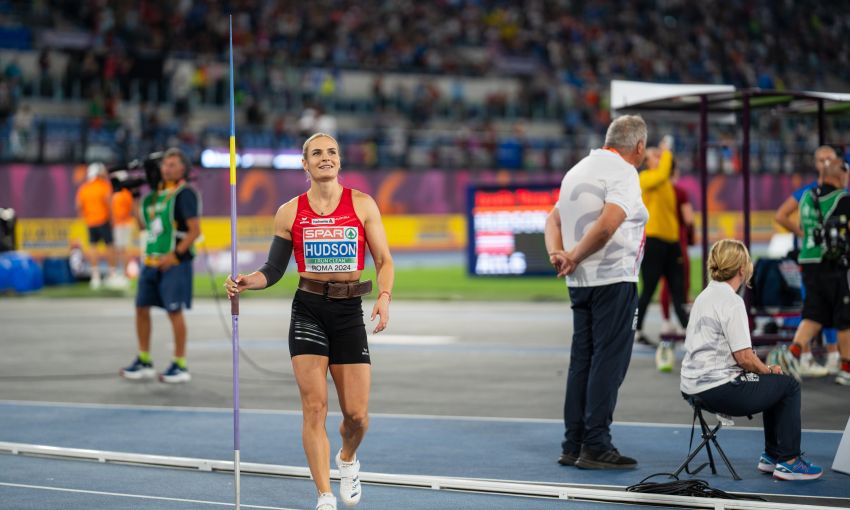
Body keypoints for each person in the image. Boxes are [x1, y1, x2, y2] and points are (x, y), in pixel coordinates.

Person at [225, 133, 394, 510]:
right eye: (317, 153)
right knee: (314, 407)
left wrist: (384, 297)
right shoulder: (289, 212)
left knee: (357, 416)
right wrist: (248, 281)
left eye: (332, 151)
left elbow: (384, 260)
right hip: (309, 311)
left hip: (349, 313)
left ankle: (347, 458)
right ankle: (324, 495)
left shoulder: (363, 205)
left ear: (339, 160)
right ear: (305, 164)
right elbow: (273, 268)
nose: (325, 158)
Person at [544, 115, 648, 470]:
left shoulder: (576, 171)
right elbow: (608, 225)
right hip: (613, 278)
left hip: (581, 283)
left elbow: (552, 220)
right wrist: (571, 255)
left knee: (582, 362)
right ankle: (596, 445)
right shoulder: (623, 172)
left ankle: (573, 444)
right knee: (608, 362)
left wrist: (558, 254)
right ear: (638, 146)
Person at [681, 239, 822, 480]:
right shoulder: (732, 302)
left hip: (691, 387)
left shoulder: (705, 296)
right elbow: (745, 358)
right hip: (718, 389)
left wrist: (763, 371)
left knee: (770, 382)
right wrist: (767, 369)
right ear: (742, 269)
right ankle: (788, 460)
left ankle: (772, 456)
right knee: (788, 385)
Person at [120, 148, 201, 384]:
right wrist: (134, 196)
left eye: (174, 164)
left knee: (174, 312)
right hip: (150, 261)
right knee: (141, 308)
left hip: (174, 263)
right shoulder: (153, 197)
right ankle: (144, 359)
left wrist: (175, 255)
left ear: (183, 168)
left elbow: (195, 231)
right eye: (166, 164)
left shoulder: (185, 194)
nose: (168, 168)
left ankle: (180, 363)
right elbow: (142, 225)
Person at [781, 157, 850, 386]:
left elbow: (802, 226)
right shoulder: (842, 199)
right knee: (844, 316)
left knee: (813, 313)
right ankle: (846, 367)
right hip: (831, 263)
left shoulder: (807, 197)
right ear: (838, 175)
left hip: (808, 260)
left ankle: (793, 353)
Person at [634, 137, 689, 346]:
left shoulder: (664, 182)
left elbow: (667, 170)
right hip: (654, 242)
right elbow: (666, 169)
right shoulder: (645, 178)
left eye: (659, 155)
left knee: (678, 290)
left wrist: (664, 154)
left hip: (671, 243)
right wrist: (666, 150)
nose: (659, 158)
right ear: (646, 161)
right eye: (653, 156)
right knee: (648, 290)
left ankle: (687, 331)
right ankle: (636, 330)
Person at [75, 162, 117, 289]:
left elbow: (78, 206)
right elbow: (109, 203)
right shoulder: (104, 186)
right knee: (109, 247)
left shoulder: (84, 188)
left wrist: (86, 216)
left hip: (91, 222)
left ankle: (95, 276)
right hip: (103, 220)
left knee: (93, 247)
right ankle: (112, 274)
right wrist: (112, 219)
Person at [110, 186, 135, 288]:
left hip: (121, 224)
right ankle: (123, 273)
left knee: (122, 249)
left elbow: (124, 211)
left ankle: (124, 273)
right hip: (123, 223)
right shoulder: (126, 194)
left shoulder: (122, 194)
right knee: (121, 249)